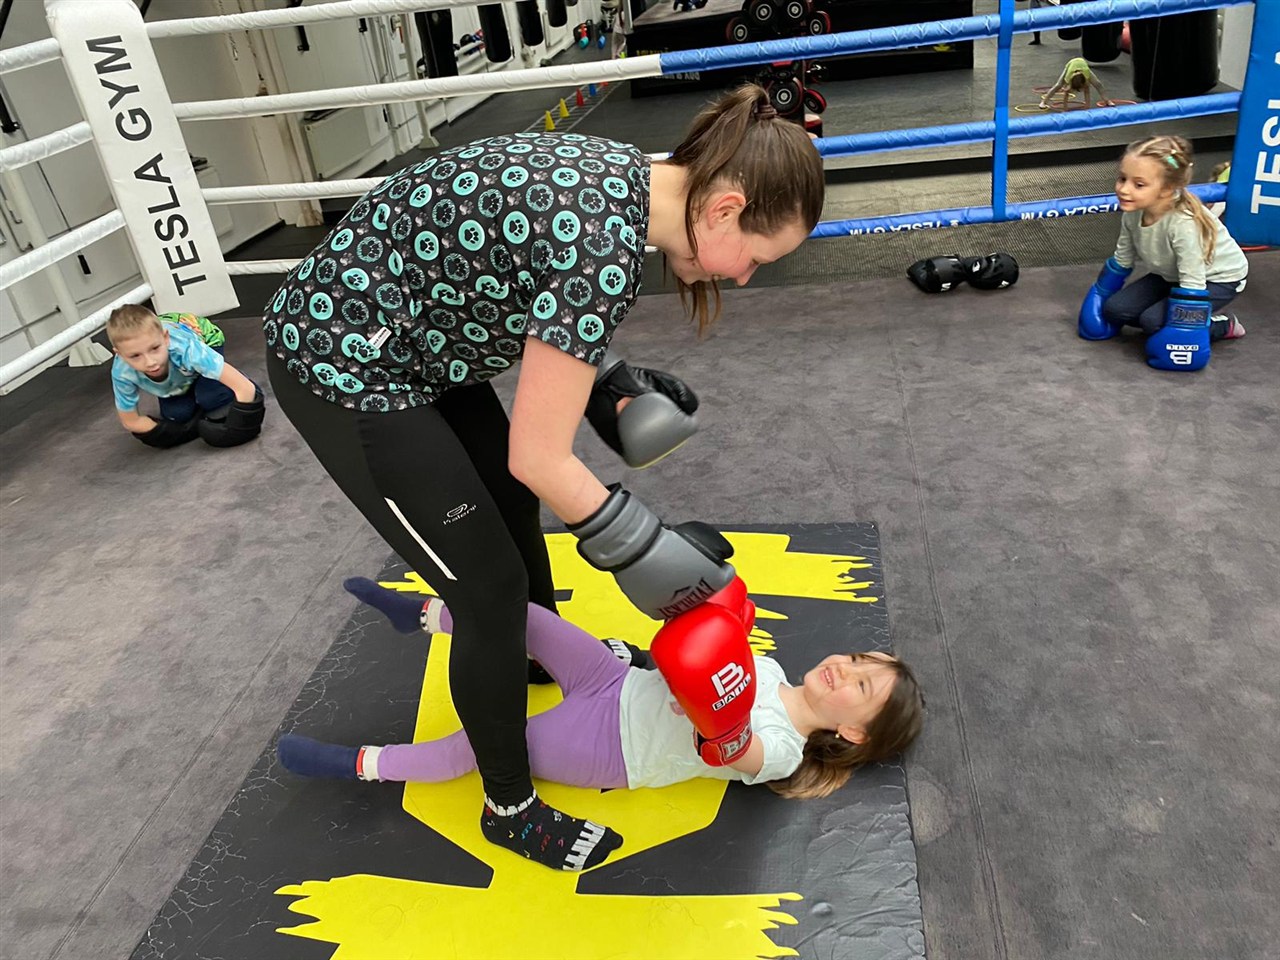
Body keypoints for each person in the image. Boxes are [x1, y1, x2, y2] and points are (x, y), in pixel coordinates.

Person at [260, 83, 825, 872]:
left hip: (419, 336)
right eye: (756, 259)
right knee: (486, 588)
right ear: (726, 209)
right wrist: (649, 552)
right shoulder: (604, 247)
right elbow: (543, 452)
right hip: (345, 363)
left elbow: (528, 278)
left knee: (510, 503)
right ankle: (510, 807)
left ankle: (528, 659)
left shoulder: (625, 180)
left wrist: (612, 380)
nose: (743, 279)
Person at [278, 579, 924, 799]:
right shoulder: (774, 669)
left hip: (611, 748)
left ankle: (358, 764)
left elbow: (730, 748)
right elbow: (693, 656)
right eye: (856, 658)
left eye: (861, 684)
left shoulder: (782, 751)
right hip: (617, 683)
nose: (845, 668)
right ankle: (419, 614)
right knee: (530, 619)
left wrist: (719, 723)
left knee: (484, 745)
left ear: (853, 732)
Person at [1078, 136, 1250, 369]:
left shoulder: (1183, 224)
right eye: (1122, 178)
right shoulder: (1133, 212)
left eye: (1139, 185)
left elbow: (1193, 278)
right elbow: (1123, 258)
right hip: (1171, 274)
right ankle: (1168, 314)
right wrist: (1101, 290)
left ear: (1167, 189)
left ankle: (1221, 325)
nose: (1124, 189)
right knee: (1115, 310)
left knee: (1151, 321)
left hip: (1218, 279)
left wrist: (1187, 324)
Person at [108, 305, 264, 449]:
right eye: (135, 356)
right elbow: (131, 421)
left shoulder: (186, 348)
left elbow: (245, 388)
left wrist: (240, 427)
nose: (150, 362)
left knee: (211, 398)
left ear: (165, 339)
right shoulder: (122, 372)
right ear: (119, 354)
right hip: (179, 369)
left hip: (204, 337)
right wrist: (180, 433)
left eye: (155, 348)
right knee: (177, 415)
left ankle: (217, 380)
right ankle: (194, 386)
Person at [1039, 57, 1113, 109]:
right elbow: (1066, 95)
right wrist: (1065, 109)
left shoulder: (1086, 76)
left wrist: (1087, 108)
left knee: (1098, 84)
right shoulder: (1068, 78)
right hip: (1070, 64)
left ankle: (1107, 100)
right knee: (1058, 85)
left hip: (1083, 66)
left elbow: (1087, 92)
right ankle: (1044, 102)